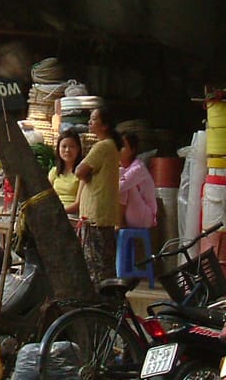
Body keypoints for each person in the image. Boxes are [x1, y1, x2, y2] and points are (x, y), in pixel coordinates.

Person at [75, 106, 124, 287]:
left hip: (95, 214)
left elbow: (80, 171)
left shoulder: (102, 146)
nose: (90, 122)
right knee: (105, 263)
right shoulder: (111, 146)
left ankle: (100, 305)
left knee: (96, 266)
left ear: (104, 125)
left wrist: (86, 175)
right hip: (103, 213)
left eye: (94, 119)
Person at [118, 132, 157, 229]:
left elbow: (119, 187)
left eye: (122, 146)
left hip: (145, 217)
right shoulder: (118, 166)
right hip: (131, 213)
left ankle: (119, 221)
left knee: (123, 182)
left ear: (132, 150)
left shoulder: (138, 168)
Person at [49, 129, 83, 215]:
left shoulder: (82, 172)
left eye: (72, 146)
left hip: (72, 215)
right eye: (64, 146)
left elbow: (78, 204)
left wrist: (60, 213)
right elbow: (46, 197)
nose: (67, 150)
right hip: (54, 213)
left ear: (78, 149)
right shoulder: (54, 172)